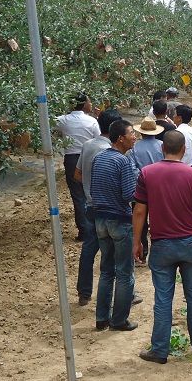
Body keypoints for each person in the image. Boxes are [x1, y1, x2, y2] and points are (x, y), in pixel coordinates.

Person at [134, 130, 192, 363]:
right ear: (184, 150)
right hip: (191, 243)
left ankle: (159, 350)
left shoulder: (147, 174)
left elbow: (140, 210)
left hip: (161, 244)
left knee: (162, 298)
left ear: (162, 149)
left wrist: (137, 242)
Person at [90, 119, 139, 331]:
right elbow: (129, 194)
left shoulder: (99, 159)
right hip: (119, 220)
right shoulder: (123, 162)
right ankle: (119, 320)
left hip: (100, 219)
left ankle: (101, 317)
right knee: (124, 273)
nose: (134, 136)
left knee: (106, 271)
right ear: (121, 138)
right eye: (131, 133)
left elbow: (93, 189)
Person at [74, 108, 121, 305]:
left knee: (89, 249)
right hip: (109, 208)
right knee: (116, 252)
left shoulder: (87, 145)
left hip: (90, 205)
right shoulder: (111, 152)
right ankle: (122, 293)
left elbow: (77, 175)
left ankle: (84, 292)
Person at [56, 92, 100, 241]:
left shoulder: (62, 120)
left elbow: (50, 126)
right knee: (92, 191)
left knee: (78, 195)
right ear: (84, 104)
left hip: (72, 159)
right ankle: (96, 228)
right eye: (89, 101)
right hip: (90, 157)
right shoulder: (92, 121)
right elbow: (98, 139)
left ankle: (84, 231)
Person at [127, 117, 165, 265]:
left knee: (139, 222)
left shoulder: (134, 149)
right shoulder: (162, 145)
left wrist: (144, 178)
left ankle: (142, 253)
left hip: (140, 190)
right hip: (160, 190)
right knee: (160, 220)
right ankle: (160, 253)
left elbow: (132, 169)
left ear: (141, 132)